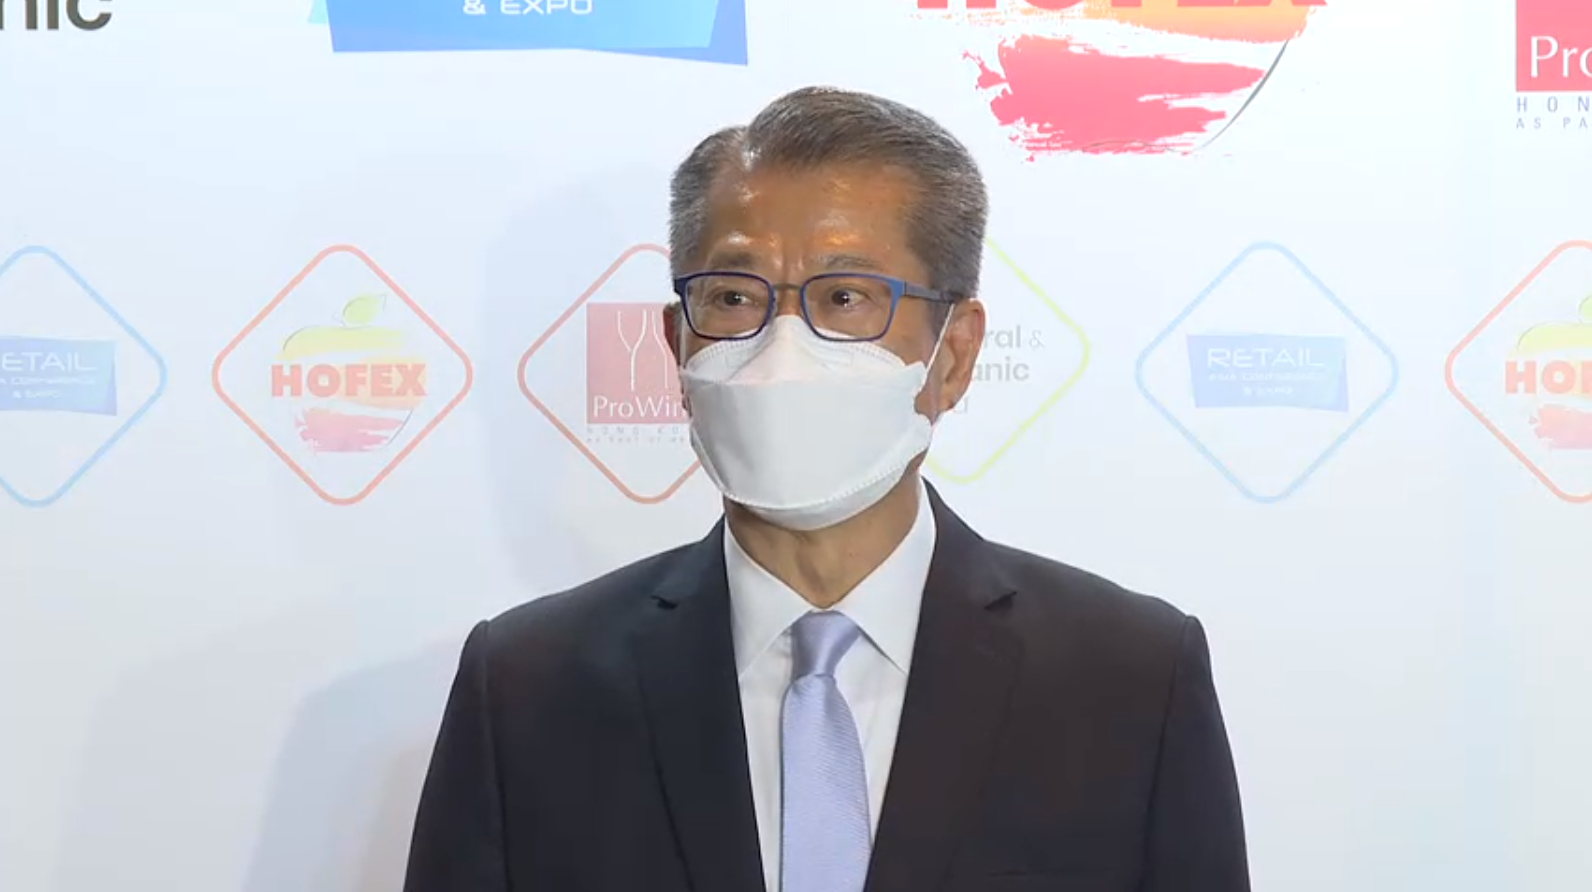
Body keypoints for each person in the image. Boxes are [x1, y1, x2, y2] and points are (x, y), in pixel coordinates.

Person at [401, 86, 1250, 892]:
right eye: (734, 297)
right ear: (677, 343)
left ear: (954, 354)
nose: (782, 347)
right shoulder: (526, 689)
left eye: (845, 298)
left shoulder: (1131, 681)